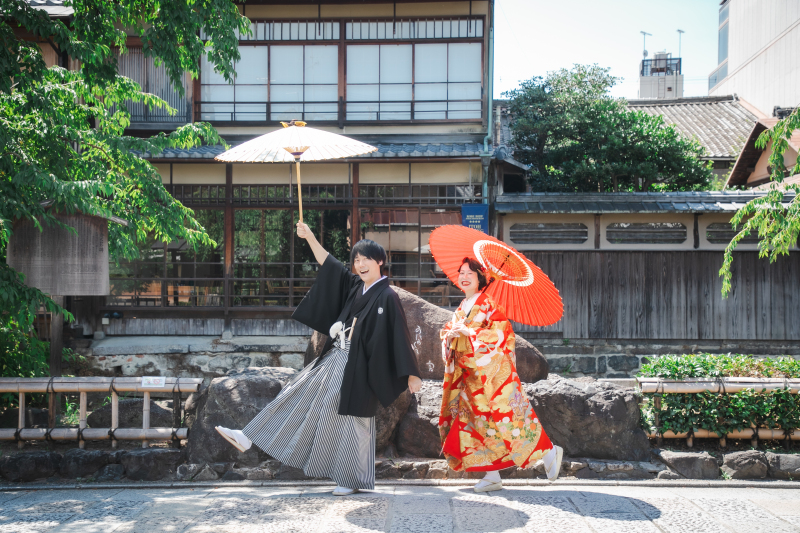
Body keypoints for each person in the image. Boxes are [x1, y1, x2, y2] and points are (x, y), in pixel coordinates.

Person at [216, 222, 422, 495]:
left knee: (354, 421)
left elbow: (399, 335)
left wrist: (412, 373)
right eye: (356, 260)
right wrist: (311, 237)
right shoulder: (355, 287)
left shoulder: (388, 295)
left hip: (361, 366)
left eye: (366, 259)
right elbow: (330, 264)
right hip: (339, 355)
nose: (359, 265)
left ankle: (352, 479)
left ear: (380, 261)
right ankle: (249, 435)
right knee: (298, 392)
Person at [439, 257, 563, 492]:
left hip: (491, 378)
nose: (464, 277)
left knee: (509, 419)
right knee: (476, 425)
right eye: (461, 272)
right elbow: (449, 334)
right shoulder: (462, 306)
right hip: (469, 378)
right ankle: (492, 474)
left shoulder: (489, 304)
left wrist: (471, 333)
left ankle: (549, 452)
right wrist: (451, 335)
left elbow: (502, 334)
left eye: (470, 273)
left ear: (480, 279)